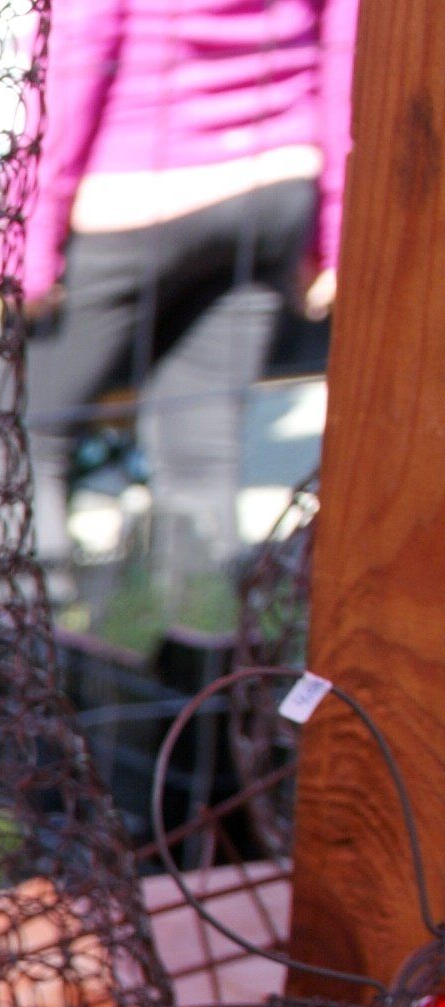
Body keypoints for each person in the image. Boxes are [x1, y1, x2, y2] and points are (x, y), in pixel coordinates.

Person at [23, 0, 354, 597]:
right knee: (201, 448)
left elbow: (77, 53)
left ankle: (19, 633)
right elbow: (347, 57)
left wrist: (30, 243)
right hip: (271, 185)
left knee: (27, 434)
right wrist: (331, 236)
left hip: (132, 189)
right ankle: (200, 638)